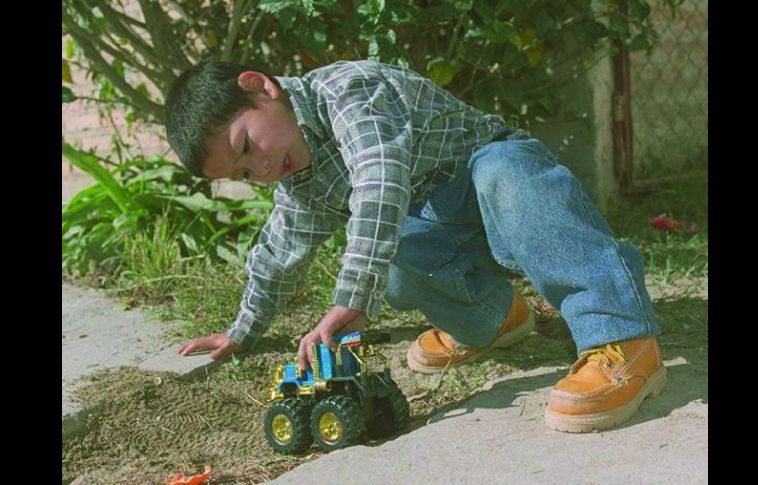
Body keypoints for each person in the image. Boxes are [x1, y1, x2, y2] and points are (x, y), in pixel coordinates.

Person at [164, 59, 666, 432]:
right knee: (399, 258)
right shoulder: (301, 181)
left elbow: (380, 183)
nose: (263, 170)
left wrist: (350, 299)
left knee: (507, 176)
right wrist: (242, 332)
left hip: (484, 180)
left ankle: (619, 336)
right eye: (246, 173)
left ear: (260, 87)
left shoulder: (348, 90)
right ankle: (494, 318)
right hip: (442, 230)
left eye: (247, 147)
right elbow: (276, 254)